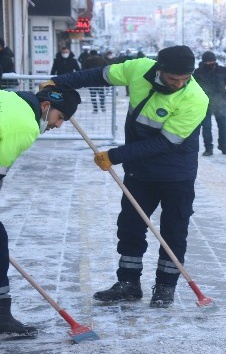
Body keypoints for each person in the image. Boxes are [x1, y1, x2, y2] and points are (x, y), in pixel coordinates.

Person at [42, 45, 209, 308]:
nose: (178, 84)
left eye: (184, 79)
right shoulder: (138, 68)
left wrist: (115, 155)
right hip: (139, 171)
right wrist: (59, 81)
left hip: (177, 174)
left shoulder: (195, 99)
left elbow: (165, 144)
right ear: (159, 69)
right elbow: (100, 76)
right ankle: (128, 283)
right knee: (130, 227)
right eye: (172, 78)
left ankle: (165, 286)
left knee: (173, 231)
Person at [0, 84, 81, 337]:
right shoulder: (24, 127)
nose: (59, 125)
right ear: (46, 106)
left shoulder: (9, 98)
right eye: (60, 118)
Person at [192, 51, 226, 156]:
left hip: (221, 103)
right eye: (208, 62)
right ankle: (208, 148)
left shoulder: (223, 71)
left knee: (223, 126)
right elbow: (193, 88)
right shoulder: (198, 73)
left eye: (212, 61)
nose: (210, 63)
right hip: (205, 104)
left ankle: (223, 145)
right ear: (204, 62)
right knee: (206, 127)